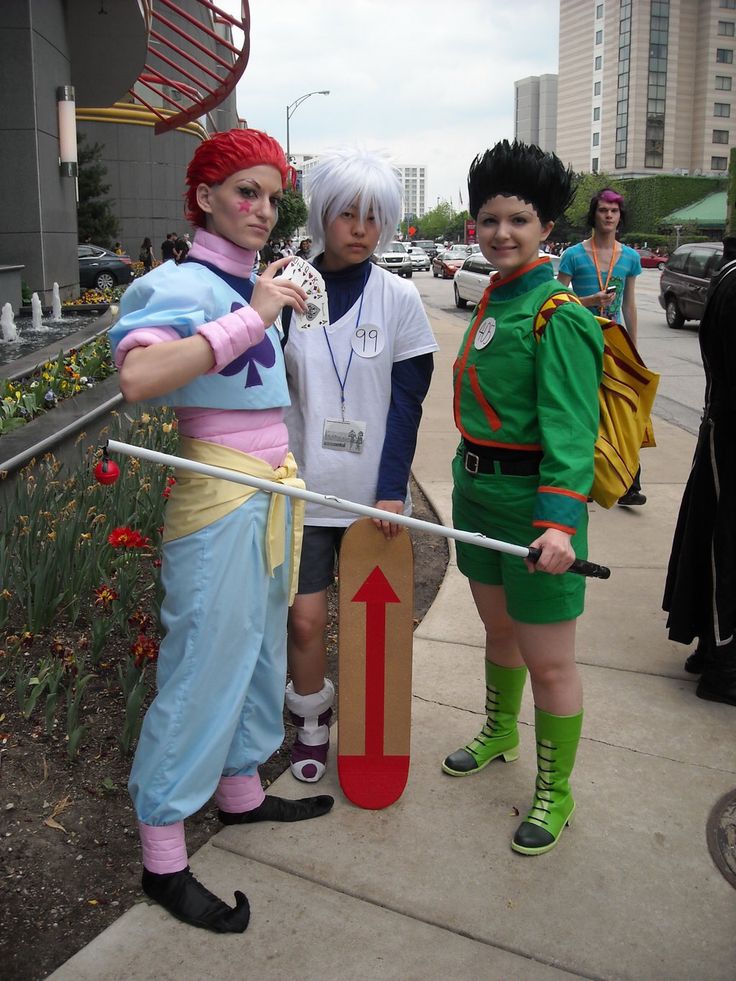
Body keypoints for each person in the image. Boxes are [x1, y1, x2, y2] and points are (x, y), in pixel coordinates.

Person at [108, 128, 333, 935]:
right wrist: (254, 315)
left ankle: (240, 791)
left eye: (272, 196)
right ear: (204, 197)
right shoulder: (180, 283)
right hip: (218, 496)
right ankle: (162, 855)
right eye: (246, 192)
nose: (263, 210)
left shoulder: (257, 281)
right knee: (203, 660)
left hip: (273, 491)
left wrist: (267, 304)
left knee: (262, 646)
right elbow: (137, 379)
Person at [443, 140, 603, 856]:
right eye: (488, 219)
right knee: (499, 633)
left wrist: (561, 523)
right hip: (477, 496)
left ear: (546, 229)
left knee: (551, 662)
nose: (500, 232)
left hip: (536, 511)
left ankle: (555, 789)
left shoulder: (556, 310)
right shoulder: (494, 298)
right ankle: (501, 729)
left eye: (518, 219)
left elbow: (573, 429)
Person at [282, 147, 438, 783]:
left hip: (375, 499)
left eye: (373, 218)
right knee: (306, 617)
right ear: (323, 215)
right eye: (347, 214)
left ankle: (373, 729)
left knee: (374, 620)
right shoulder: (287, 290)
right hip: (301, 490)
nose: (359, 229)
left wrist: (391, 490)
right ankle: (311, 720)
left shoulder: (399, 298)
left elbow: (408, 405)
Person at [663, 233, 736, 706]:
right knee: (723, 546)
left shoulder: (727, 276)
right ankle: (722, 666)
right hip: (729, 434)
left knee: (712, 536)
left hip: (722, 429)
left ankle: (710, 649)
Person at [557, 188, 645, 506]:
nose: (609, 216)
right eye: (603, 210)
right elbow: (557, 299)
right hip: (581, 339)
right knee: (585, 408)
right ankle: (586, 479)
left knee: (622, 408)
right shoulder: (573, 255)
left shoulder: (631, 258)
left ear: (620, 217)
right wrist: (591, 301)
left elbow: (631, 305)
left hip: (616, 342)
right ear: (594, 215)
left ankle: (629, 482)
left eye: (614, 211)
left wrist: (633, 349)